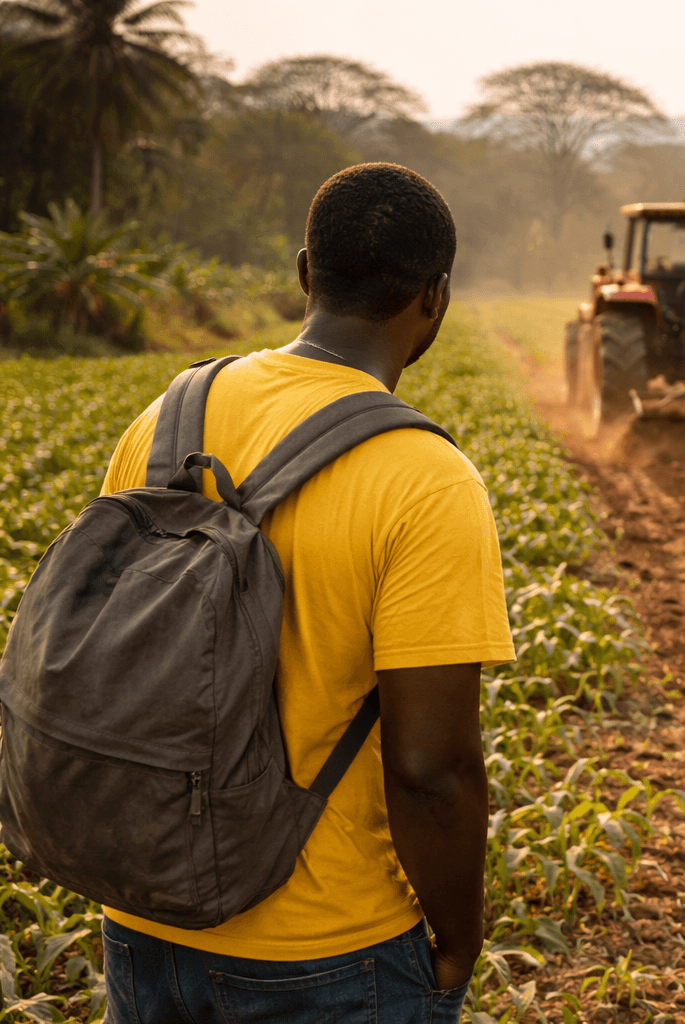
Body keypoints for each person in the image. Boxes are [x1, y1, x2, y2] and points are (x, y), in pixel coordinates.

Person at [97, 163, 514, 1023]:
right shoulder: (426, 480)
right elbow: (432, 769)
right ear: (435, 297)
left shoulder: (165, 418)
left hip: (141, 921)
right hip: (327, 954)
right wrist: (460, 939)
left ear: (303, 274)